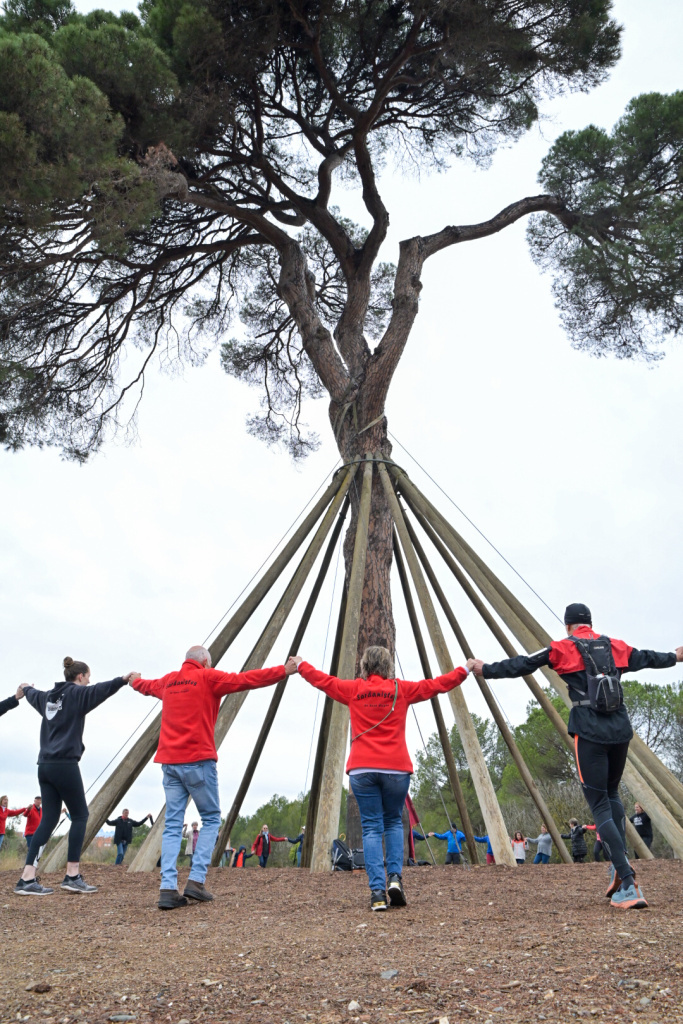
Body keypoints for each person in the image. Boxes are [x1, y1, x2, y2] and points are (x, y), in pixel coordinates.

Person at [468, 602, 683, 909]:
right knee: (612, 795)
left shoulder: (562, 648)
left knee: (599, 805)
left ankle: (628, 883)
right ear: (590, 623)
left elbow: (524, 664)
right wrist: (675, 656)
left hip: (589, 732)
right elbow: (647, 657)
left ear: (568, 626)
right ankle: (619, 866)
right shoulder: (614, 646)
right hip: (620, 731)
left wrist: (486, 669)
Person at [294, 646, 469, 911]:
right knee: (394, 823)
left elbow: (323, 681)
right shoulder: (401, 689)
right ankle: (395, 879)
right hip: (396, 768)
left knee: (371, 828)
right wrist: (465, 669)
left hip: (362, 768)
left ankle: (377, 893)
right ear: (388, 666)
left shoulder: (354, 689)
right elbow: (436, 685)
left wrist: (301, 665)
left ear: (364, 666)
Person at [129, 644, 291, 910]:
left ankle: (167, 888)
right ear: (205, 661)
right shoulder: (208, 677)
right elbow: (246, 679)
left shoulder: (168, 681)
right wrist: (283, 670)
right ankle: (196, 880)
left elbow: (146, 686)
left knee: (172, 824)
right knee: (211, 818)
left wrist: (134, 680)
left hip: (169, 762)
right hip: (198, 761)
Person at [14, 656, 135, 896]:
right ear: (80, 677)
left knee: (48, 820)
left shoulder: (48, 697)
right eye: (88, 677)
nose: (89, 681)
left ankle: (27, 878)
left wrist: (25, 687)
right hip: (65, 765)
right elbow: (101, 690)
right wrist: (122, 680)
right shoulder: (77, 694)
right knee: (80, 816)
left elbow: (31, 693)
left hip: (44, 765)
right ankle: (72, 875)